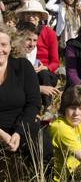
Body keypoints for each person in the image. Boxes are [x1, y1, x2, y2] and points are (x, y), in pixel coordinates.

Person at [0, 24, 50, 173]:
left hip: (22, 126)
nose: (0, 50)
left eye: (3, 44)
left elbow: (34, 103)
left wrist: (19, 132)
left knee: (43, 146)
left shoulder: (23, 66)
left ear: (11, 46)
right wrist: (2, 135)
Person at [16, 0, 59, 105]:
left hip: (45, 73)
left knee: (42, 74)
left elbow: (55, 62)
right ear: (24, 16)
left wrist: (44, 67)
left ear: (40, 16)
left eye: (34, 14)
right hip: (25, 68)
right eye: (28, 13)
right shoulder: (17, 33)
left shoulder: (49, 33)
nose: (31, 16)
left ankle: (47, 106)